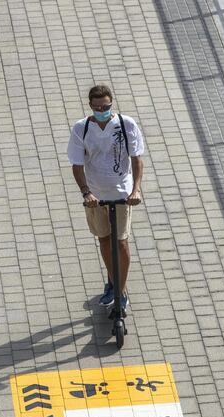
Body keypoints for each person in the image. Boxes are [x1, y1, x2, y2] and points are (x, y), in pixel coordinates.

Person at [67, 84, 145, 311]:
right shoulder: (81, 129)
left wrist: (136, 190)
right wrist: (86, 192)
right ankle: (113, 282)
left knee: (120, 242)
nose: (102, 110)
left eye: (107, 106)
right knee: (104, 239)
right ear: (90, 106)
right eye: (97, 107)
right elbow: (77, 164)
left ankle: (121, 290)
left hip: (121, 193)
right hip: (96, 195)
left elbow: (137, 158)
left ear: (112, 104)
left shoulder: (125, 124)